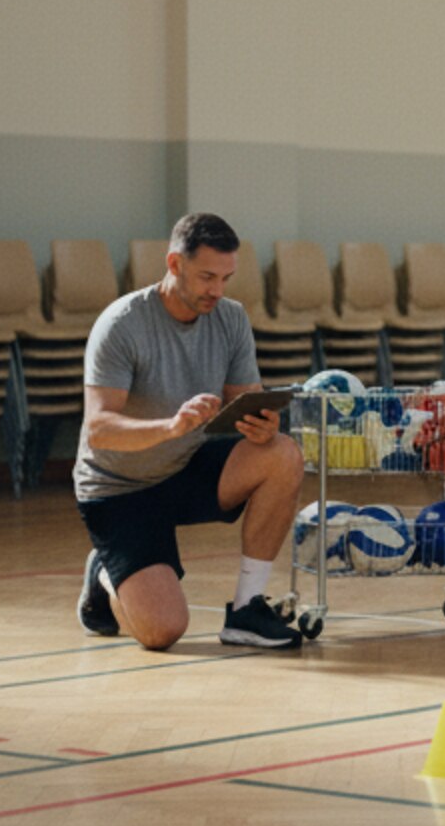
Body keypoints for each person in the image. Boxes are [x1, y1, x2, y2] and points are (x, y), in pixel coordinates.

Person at [74, 212, 305, 651]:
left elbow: (246, 402)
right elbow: (100, 429)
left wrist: (261, 426)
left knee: (281, 452)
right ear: (175, 264)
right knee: (163, 632)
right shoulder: (121, 324)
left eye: (226, 278)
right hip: (118, 490)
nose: (216, 290)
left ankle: (247, 609)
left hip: (182, 468)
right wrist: (171, 426)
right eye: (206, 277)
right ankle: (106, 574)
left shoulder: (231, 319)